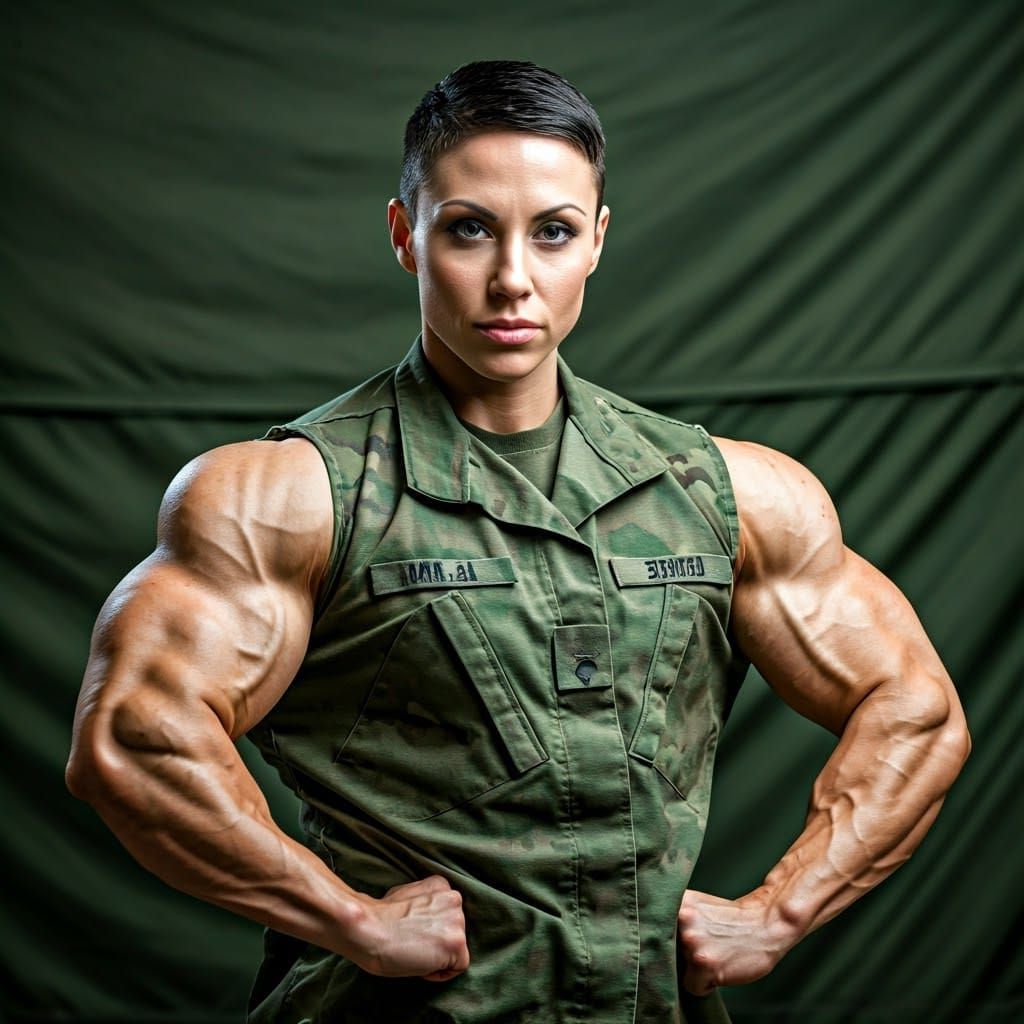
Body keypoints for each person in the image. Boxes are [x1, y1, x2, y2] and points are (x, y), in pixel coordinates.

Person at [66, 60, 970, 1024]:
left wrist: (778, 914)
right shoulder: (290, 495)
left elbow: (915, 711)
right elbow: (134, 739)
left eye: (553, 233)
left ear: (597, 241)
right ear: (405, 235)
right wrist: (352, 922)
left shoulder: (727, 492)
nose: (512, 280)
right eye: (468, 229)